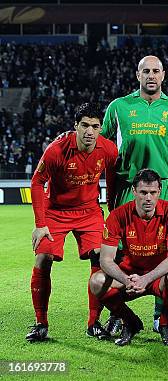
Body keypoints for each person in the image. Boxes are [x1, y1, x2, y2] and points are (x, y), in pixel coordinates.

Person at [101, 55, 168, 333]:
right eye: (146, 71)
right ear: (138, 74)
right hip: (127, 187)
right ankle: (117, 314)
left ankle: (159, 312)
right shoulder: (119, 107)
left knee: (162, 250)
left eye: (156, 71)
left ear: (163, 75)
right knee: (118, 254)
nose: (151, 76)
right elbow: (101, 148)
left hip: (162, 187)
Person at [26, 103, 118, 342]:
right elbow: (37, 183)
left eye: (95, 126)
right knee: (43, 258)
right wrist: (40, 223)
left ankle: (93, 322)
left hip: (89, 211)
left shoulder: (108, 149)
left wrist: (112, 207)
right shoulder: (57, 150)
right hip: (55, 211)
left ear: (100, 128)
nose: (90, 131)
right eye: (85, 125)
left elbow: (113, 177)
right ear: (75, 126)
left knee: (101, 259)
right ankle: (40, 322)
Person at [89, 169, 168, 346]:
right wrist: (126, 280)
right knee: (96, 282)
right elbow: (105, 259)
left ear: (159, 191)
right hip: (130, 274)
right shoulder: (118, 215)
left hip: (160, 275)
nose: (148, 198)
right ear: (134, 191)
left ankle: (166, 324)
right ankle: (130, 321)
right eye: (143, 192)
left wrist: (147, 279)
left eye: (152, 192)